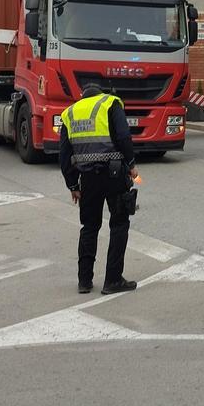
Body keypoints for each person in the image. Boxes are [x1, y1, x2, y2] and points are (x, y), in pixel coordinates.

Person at [59, 83, 139, 295]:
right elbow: (123, 137)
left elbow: (64, 155)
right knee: (119, 223)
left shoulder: (70, 113)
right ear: (100, 94)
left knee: (89, 226)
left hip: (88, 179)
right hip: (114, 175)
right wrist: (131, 164)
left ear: (83, 96)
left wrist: (73, 185)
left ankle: (84, 281)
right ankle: (112, 280)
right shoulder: (110, 103)